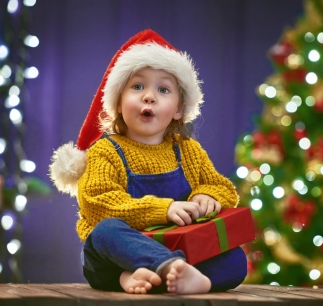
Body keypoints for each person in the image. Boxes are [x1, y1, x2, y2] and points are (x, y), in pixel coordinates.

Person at [49, 29, 247, 294]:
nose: (149, 96)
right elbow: (97, 204)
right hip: (114, 258)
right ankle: (144, 271)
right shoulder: (105, 151)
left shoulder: (188, 151)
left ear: (178, 109)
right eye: (137, 86)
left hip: (181, 246)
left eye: (163, 89)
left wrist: (206, 195)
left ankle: (167, 277)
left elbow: (222, 188)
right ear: (118, 102)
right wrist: (162, 210)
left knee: (236, 260)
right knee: (106, 231)